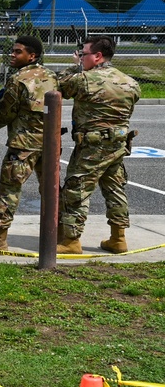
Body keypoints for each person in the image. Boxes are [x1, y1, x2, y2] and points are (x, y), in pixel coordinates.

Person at [56, 35, 140, 255]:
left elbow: (59, 85)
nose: (81, 57)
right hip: (118, 144)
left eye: (84, 54)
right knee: (114, 189)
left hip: (91, 146)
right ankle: (118, 238)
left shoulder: (84, 79)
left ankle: (71, 241)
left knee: (77, 188)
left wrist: (75, 67)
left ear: (98, 56)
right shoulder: (130, 82)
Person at [0, 35, 57, 250]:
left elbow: (3, 114)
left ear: (31, 55)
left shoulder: (17, 80)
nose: (12, 55)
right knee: (52, 191)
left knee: (8, 190)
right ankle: (60, 237)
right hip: (50, 143)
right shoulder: (52, 76)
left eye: (18, 52)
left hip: (23, 145)